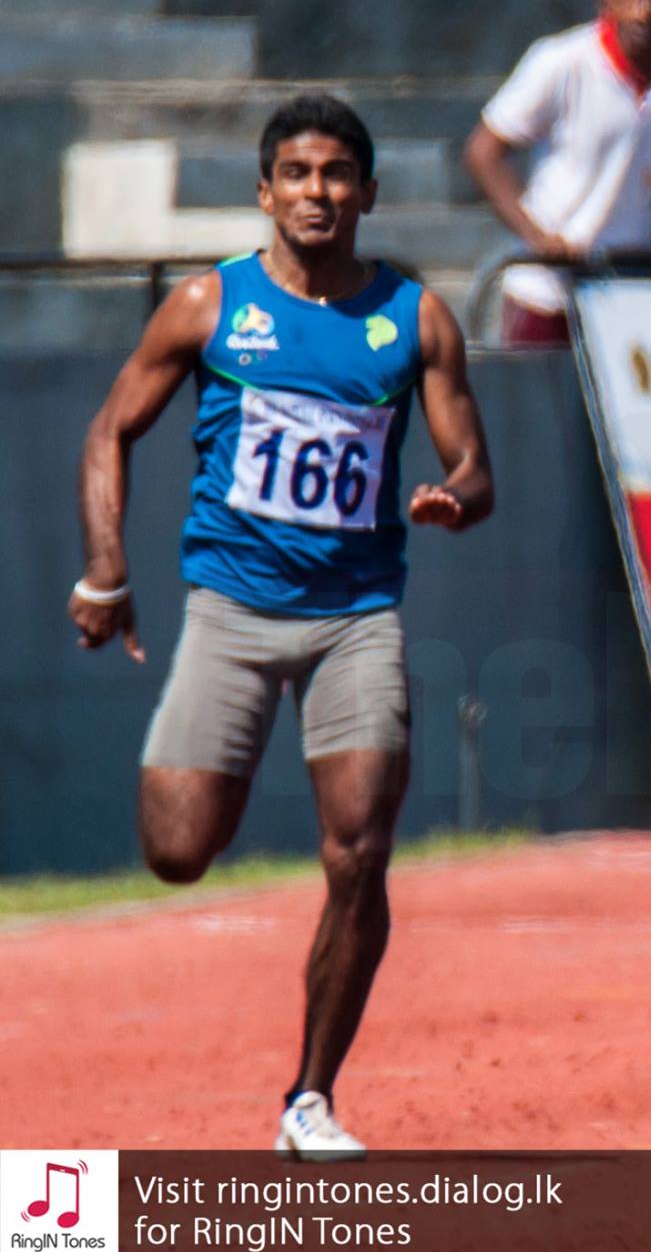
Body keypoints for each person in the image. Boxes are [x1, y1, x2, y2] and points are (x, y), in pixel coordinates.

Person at [69, 93, 495, 1158]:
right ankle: (226, 769)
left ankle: (309, 1096)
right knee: (177, 851)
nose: (318, 192)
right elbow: (110, 429)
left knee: (360, 851)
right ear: (265, 192)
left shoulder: (416, 317)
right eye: (297, 174)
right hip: (231, 609)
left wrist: (454, 497)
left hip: (357, 618)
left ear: (368, 192)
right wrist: (108, 569)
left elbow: (474, 467)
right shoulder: (209, 304)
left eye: (337, 173)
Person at [465, 0, 651, 346]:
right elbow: (482, 153)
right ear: (606, 3)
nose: (643, 12)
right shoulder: (562, 60)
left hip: (636, 284)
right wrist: (540, 240)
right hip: (550, 289)